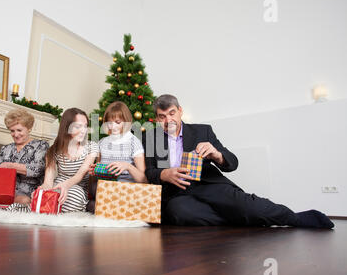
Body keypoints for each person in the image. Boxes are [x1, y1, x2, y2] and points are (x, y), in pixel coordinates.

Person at [142, 94, 334, 229]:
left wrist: (217, 154)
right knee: (178, 213)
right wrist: (164, 174)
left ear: (180, 111)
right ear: (156, 119)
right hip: (177, 193)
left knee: (243, 205)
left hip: (208, 184)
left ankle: (294, 218)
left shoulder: (202, 131)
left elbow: (232, 163)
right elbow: (148, 172)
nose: (169, 120)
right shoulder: (151, 138)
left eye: (172, 113)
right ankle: (242, 218)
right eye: (162, 116)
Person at [40, 108, 98, 213]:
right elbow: (48, 180)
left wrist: (65, 186)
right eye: (78, 126)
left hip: (78, 187)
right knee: (47, 196)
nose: (83, 131)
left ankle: (55, 211)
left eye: (85, 126)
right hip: (58, 184)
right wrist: (45, 189)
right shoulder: (54, 150)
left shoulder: (91, 146)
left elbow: (79, 175)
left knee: (74, 196)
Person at [0, 108, 49, 206]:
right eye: (12, 131)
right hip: (6, 190)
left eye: (19, 130)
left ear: (29, 128)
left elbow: (38, 169)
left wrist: (10, 166)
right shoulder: (6, 148)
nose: (16, 134)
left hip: (29, 192)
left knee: (23, 201)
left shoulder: (41, 145)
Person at [90, 101, 147, 183]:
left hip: (127, 191)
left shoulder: (134, 143)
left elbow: (144, 180)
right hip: (104, 190)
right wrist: (95, 171)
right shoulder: (102, 143)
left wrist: (128, 166)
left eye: (118, 122)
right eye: (109, 123)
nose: (113, 127)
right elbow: (97, 177)